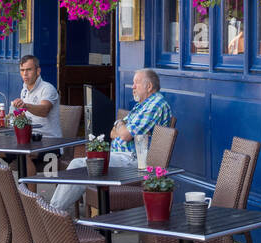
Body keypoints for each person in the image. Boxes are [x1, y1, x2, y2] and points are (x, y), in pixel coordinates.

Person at [49, 68, 172, 213]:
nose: (132, 87)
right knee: (82, 164)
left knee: (79, 165)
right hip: (121, 157)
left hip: (134, 161)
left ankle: (53, 212)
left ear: (149, 86)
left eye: (136, 83)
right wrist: (120, 126)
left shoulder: (155, 104)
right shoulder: (142, 105)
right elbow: (112, 132)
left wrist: (121, 126)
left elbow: (125, 134)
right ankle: (54, 213)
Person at [12, 54, 61, 137]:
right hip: (29, 137)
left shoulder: (47, 88)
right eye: (22, 70)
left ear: (38, 71)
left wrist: (25, 105)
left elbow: (44, 111)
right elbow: (26, 116)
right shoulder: (24, 90)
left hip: (48, 140)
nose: (25, 74)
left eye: (29, 70)